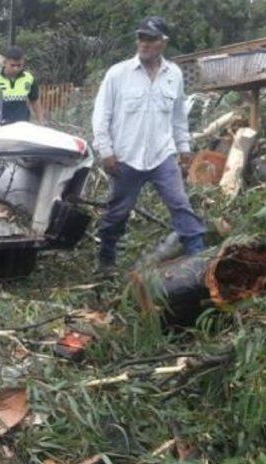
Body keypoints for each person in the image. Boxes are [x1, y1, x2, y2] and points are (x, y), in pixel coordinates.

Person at [91, 16, 205, 273]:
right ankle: (106, 258)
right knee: (117, 212)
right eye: (141, 37)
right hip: (125, 157)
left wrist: (184, 148)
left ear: (163, 42)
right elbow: (101, 115)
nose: (143, 43)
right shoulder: (118, 74)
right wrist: (105, 151)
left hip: (162, 155)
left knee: (180, 203)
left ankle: (199, 258)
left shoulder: (173, 74)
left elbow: (178, 117)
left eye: (150, 39)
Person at [0, 46, 45, 124]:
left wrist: (41, 120)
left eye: (19, 65)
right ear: (5, 63)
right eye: (12, 65)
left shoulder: (29, 78)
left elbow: (35, 100)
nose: (16, 69)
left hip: (22, 125)